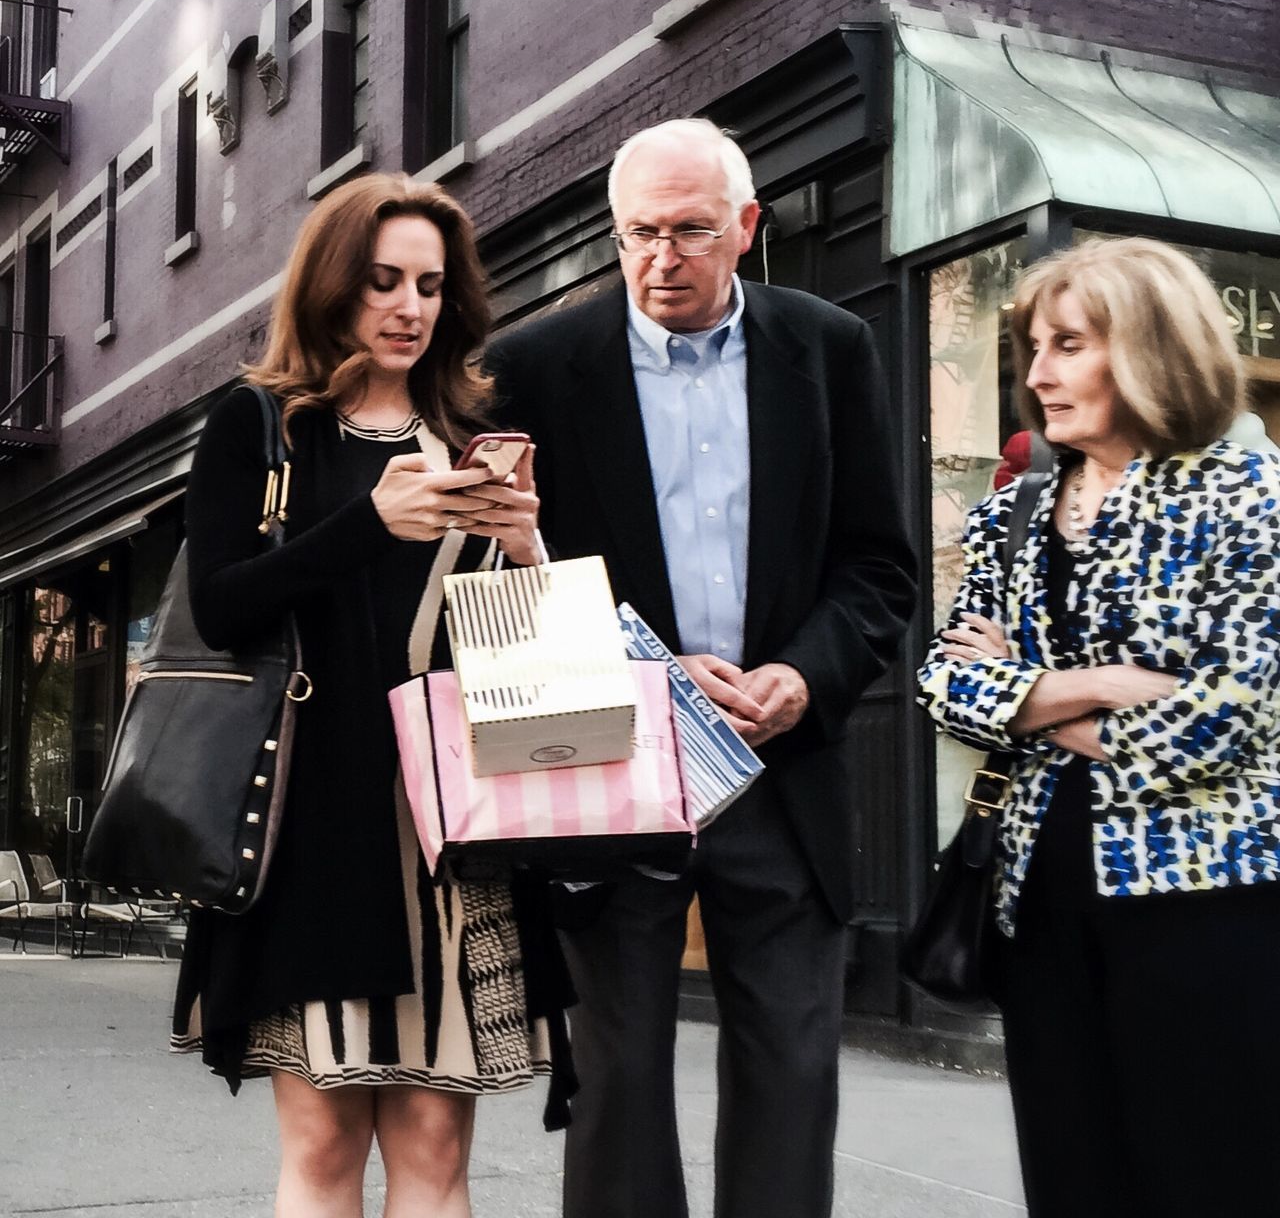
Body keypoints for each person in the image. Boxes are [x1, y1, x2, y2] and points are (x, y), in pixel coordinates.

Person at [485, 119, 916, 1218]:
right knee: (616, 1078)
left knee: (789, 1069)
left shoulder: (826, 347)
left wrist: (801, 678)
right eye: (638, 233)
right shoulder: (536, 368)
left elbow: (876, 568)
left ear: (745, 227)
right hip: (615, 769)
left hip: (781, 772)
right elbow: (503, 579)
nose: (660, 259)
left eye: (688, 231)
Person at [171, 174, 572, 1218]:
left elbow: (526, 659)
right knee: (326, 1136)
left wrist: (525, 545)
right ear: (334, 286)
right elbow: (217, 607)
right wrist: (362, 526)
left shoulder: (467, 432)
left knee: (437, 1140)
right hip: (313, 826)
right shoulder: (260, 427)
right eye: (383, 279)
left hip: (454, 833)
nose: (408, 305)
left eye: (430, 285)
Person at [918, 235, 1280, 1217]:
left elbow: (1213, 724)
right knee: (1072, 1179)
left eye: (1066, 344)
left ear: (1149, 349)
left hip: (1204, 904)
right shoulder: (1013, 512)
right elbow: (942, 683)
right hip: (1037, 898)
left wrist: (1023, 691)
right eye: (1032, 346)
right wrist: (1103, 685)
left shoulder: (1245, 496)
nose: (1034, 372)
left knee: (1210, 1176)